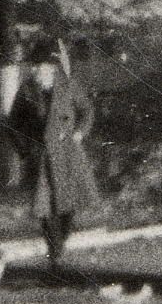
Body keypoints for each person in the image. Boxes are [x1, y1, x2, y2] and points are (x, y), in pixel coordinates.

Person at [7, 42, 99, 265]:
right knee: (46, 208)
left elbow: (86, 111)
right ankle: (54, 252)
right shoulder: (27, 90)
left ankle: (59, 244)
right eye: (35, 67)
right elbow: (12, 124)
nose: (39, 71)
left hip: (68, 154)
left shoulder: (68, 86)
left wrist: (79, 133)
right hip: (41, 155)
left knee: (68, 206)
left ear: (54, 68)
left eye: (44, 67)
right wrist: (26, 151)